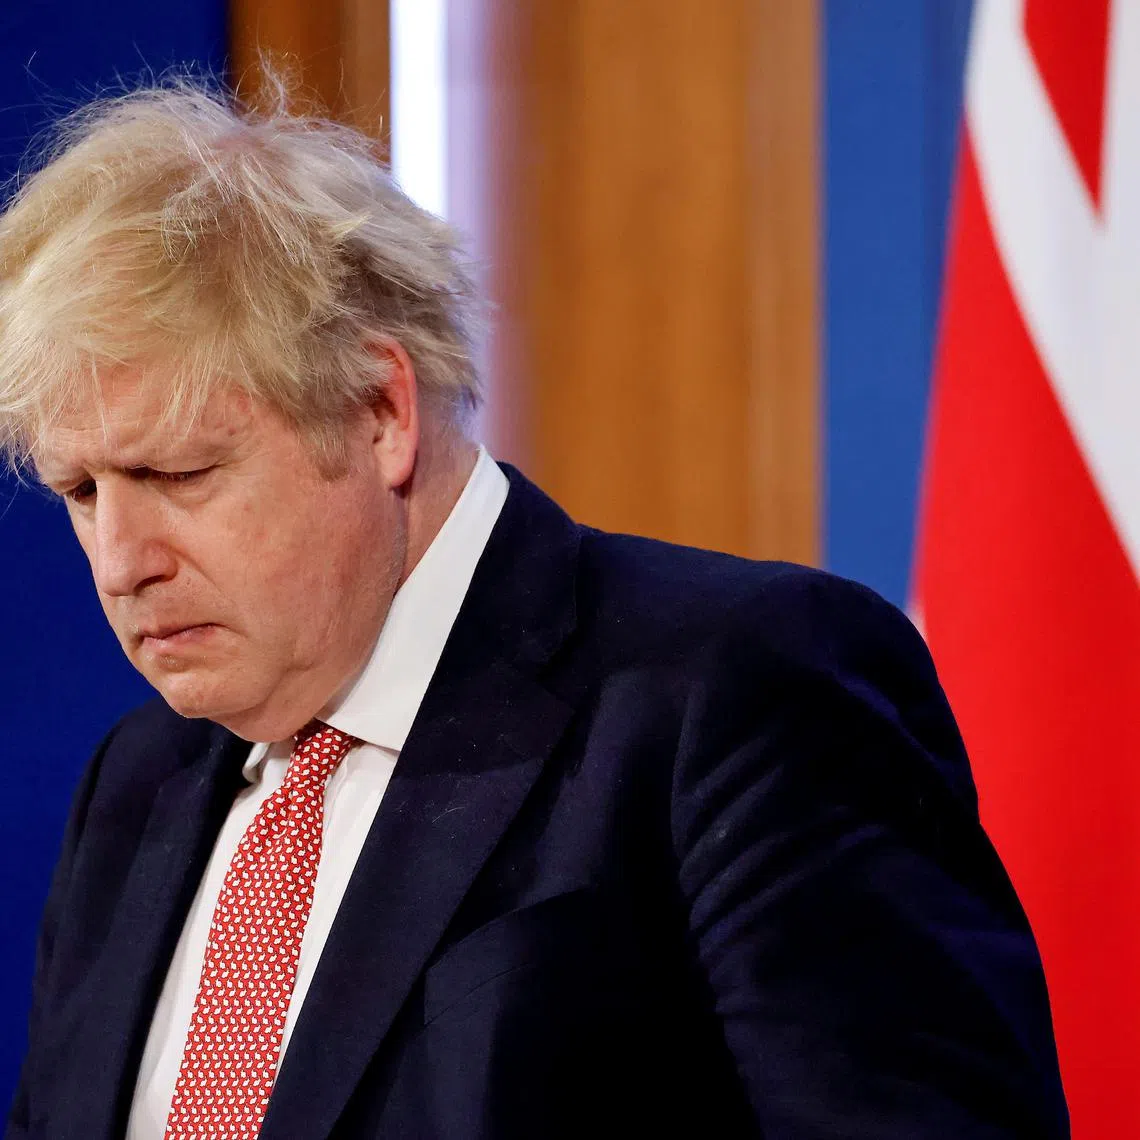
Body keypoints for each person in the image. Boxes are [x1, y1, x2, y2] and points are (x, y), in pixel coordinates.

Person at [1, 79, 1068, 1140]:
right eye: (81, 493)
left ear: (379, 412)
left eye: (181, 474)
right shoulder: (138, 781)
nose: (120, 562)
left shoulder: (736, 697)